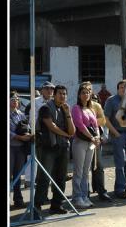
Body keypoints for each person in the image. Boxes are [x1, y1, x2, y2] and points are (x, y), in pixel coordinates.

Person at [34, 85, 75, 218]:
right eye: (60, 94)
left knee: (61, 177)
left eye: (64, 94)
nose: (62, 96)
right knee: (44, 178)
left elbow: (72, 131)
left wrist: (68, 114)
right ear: (54, 95)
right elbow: (51, 126)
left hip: (62, 147)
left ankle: (56, 205)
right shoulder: (45, 108)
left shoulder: (64, 109)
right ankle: (36, 207)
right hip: (47, 148)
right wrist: (66, 134)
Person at [80, 81, 113, 202]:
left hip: (96, 140)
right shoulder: (78, 106)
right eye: (84, 89)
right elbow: (78, 123)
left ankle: (101, 191)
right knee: (84, 168)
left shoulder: (96, 105)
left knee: (99, 167)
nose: (87, 91)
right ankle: (85, 192)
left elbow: (103, 121)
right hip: (83, 140)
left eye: (89, 89)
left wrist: (91, 124)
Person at [71, 85, 101, 208]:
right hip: (80, 142)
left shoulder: (91, 109)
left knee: (86, 171)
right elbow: (79, 125)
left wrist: (97, 137)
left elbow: (96, 125)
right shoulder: (76, 108)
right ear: (79, 95)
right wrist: (92, 137)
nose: (86, 94)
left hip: (91, 143)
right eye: (83, 92)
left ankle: (84, 196)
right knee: (78, 171)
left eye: (88, 92)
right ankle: (77, 197)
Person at [104, 80, 126, 199]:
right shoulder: (111, 100)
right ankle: (120, 190)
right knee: (120, 162)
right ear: (117, 89)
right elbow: (106, 118)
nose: (123, 89)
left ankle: (125, 187)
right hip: (118, 134)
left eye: (125, 87)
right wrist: (115, 133)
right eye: (121, 87)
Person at [26, 81, 55, 189]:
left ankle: (47, 186)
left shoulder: (53, 102)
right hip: (40, 135)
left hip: (53, 135)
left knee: (51, 162)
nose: (49, 91)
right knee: (41, 161)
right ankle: (38, 186)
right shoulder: (35, 102)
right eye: (47, 88)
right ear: (42, 90)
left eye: (51, 89)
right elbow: (32, 119)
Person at [10, 92, 32, 208]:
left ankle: (18, 199)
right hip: (10, 147)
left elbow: (27, 126)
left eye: (17, 99)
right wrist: (19, 137)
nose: (15, 101)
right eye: (13, 99)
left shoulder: (21, 114)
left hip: (20, 147)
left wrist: (28, 134)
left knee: (18, 175)